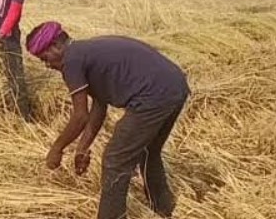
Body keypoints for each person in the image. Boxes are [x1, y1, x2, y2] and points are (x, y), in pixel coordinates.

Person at [25, 21, 190, 219]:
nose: (48, 65)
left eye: (45, 58)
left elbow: (80, 116)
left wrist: (56, 149)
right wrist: (82, 148)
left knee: (115, 160)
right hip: (175, 85)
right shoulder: (86, 51)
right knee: (148, 151)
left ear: (56, 46)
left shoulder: (72, 60)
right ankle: (163, 208)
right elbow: (99, 106)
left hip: (153, 96)